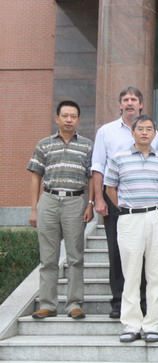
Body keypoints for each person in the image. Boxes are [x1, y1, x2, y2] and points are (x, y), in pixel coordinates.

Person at [91, 87, 158, 319]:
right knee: (118, 252)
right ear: (120, 104)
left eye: (134, 99)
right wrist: (99, 198)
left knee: (145, 253)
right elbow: (98, 165)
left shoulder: (152, 132)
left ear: (141, 104)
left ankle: (143, 300)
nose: (130, 103)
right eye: (125, 100)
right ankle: (119, 301)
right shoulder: (106, 131)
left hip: (145, 201)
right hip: (115, 200)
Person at [104, 115, 158, 343]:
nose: (144, 132)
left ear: (154, 134)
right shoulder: (119, 158)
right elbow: (110, 188)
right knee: (131, 273)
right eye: (140, 129)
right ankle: (131, 325)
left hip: (156, 216)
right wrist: (123, 206)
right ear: (132, 133)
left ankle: (153, 324)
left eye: (149, 129)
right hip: (130, 218)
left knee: (156, 274)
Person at [27, 101, 94, 320]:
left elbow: (92, 177)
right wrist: (34, 208)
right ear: (57, 118)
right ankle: (47, 304)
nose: (69, 120)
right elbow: (35, 176)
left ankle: (74, 304)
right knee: (48, 257)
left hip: (75, 201)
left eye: (73, 116)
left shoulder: (87, 145)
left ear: (78, 120)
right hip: (49, 200)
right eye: (65, 116)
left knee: (75, 257)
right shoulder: (44, 144)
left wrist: (90, 204)